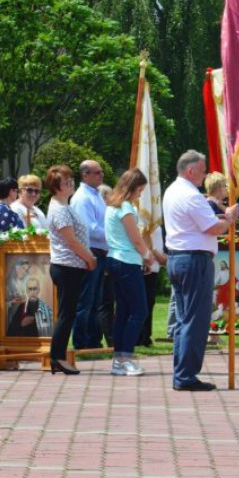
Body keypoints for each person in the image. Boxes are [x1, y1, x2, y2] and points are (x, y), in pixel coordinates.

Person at [163, 150, 239, 391]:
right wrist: (229, 218)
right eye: (203, 169)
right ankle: (186, 375)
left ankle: (182, 372)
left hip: (178, 257)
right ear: (190, 170)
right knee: (195, 320)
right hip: (193, 259)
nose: (205, 174)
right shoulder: (191, 195)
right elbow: (212, 228)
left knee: (185, 319)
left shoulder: (173, 190)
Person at [104, 167, 168, 376]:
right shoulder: (126, 208)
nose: (140, 195)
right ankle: (126, 357)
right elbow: (136, 239)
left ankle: (119, 359)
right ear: (131, 188)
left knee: (123, 311)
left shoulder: (112, 207)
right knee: (139, 311)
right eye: (140, 190)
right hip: (127, 262)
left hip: (115, 260)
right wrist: (149, 257)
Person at [46, 165, 97, 375]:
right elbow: (71, 241)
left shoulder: (65, 207)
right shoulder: (59, 209)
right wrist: (90, 258)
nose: (71, 185)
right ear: (56, 187)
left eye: (71, 182)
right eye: (66, 183)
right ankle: (57, 357)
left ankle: (59, 356)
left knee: (69, 313)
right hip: (66, 267)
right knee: (67, 314)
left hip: (72, 266)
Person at [71, 160, 110, 349]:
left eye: (101, 172)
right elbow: (88, 228)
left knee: (95, 300)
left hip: (100, 252)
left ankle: (93, 341)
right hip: (89, 253)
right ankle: (81, 343)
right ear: (85, 175)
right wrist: (113, 234)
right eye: (97, 172)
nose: (101, 175)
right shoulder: (82, 198)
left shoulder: (96, 196)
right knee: (85, 301)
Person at [0, 177, 25, 298]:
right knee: (7, 295)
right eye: (17, 191)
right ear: (11, 192)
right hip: (7, 260)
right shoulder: (2, 211)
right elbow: (4, 237)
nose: (18, 194)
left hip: (6, 259)